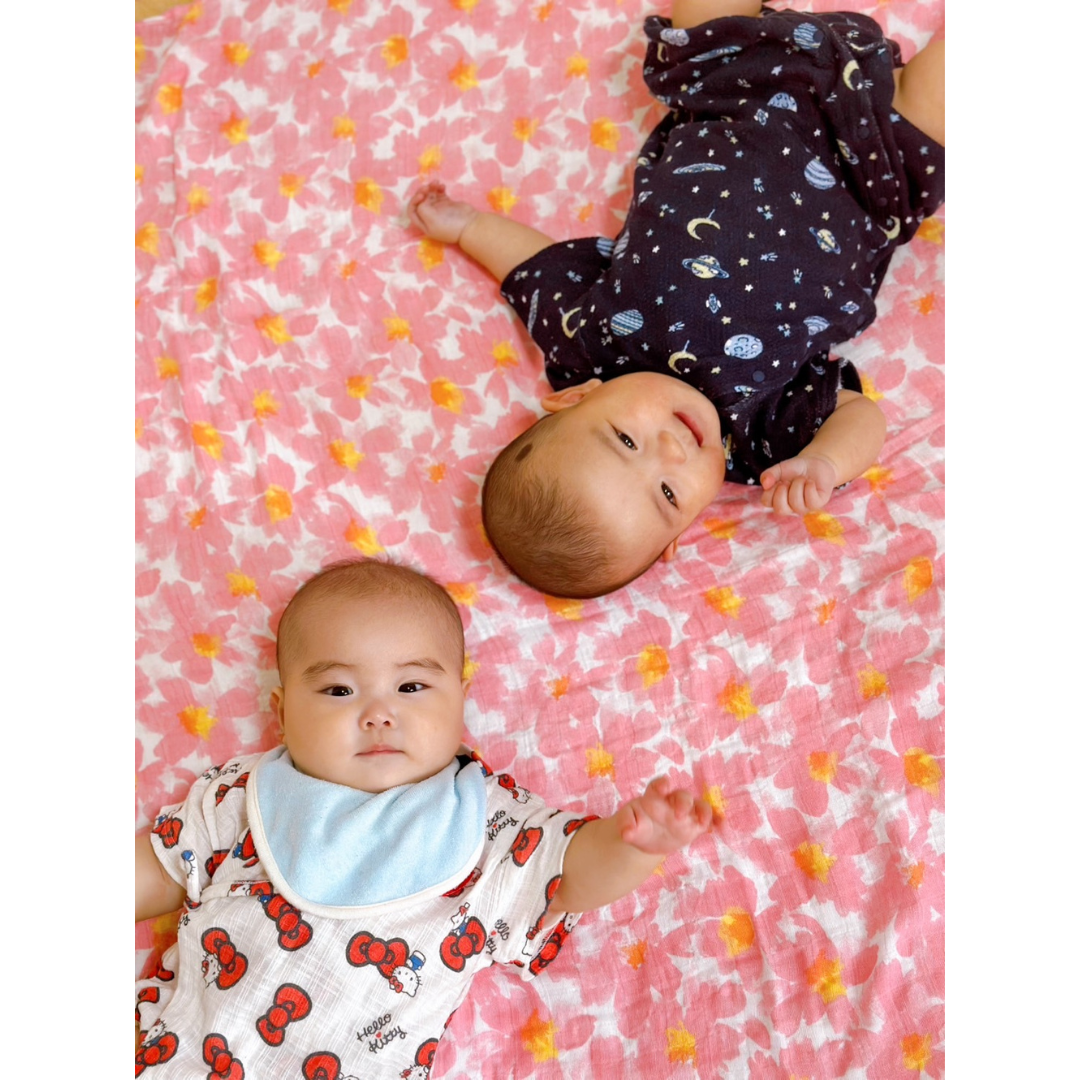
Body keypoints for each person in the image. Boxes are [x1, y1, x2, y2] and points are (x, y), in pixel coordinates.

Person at [408, 0, 944, 598]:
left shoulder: (588, 343)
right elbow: (860, 415)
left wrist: (468, 227)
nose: (670, 450)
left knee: (703, 18)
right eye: (667, 494)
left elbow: (531, 267)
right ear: (680, 534)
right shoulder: (758, 437)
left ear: (576, 398)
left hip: (736, 86)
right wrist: (824, 462)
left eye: (625, 440)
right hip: (877, 164)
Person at [135, 560, 716, 1078]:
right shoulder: (246, 796)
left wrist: (632, 845)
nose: (379, 713)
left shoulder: (488, 826)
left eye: (411, 685)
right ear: (283, 713)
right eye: (338, 690)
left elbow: (568, 877)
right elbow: (159, 867)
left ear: (461, 697)